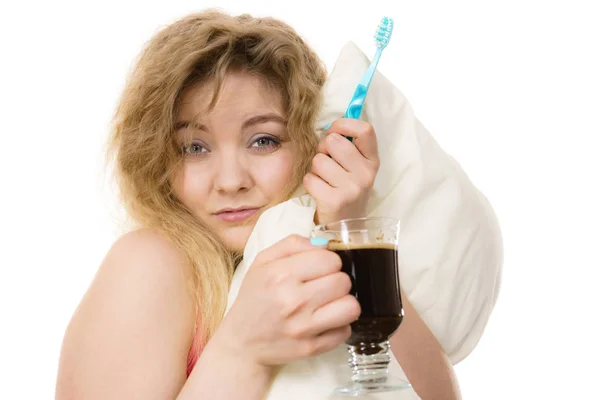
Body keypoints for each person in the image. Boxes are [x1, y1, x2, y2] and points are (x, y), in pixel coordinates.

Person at [56, 10, 461, 399]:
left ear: (310, 143)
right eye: (194, 147)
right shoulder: (148, 263)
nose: (231, 181)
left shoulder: (303, 246)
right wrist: (242, 348)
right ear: (157, 159)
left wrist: (347, 235)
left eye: (263, 140)